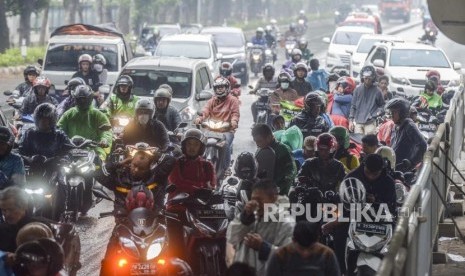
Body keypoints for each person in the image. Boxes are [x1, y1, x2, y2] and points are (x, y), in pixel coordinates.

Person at [226, 179, 295, 276]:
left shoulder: (286, 223)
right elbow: (232, 239)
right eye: (253, 199)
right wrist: (245, 218)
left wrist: (263, 247)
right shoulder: (250, 217)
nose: (255, 203)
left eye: (259, 199)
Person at [166, 129, 216, 258]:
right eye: (189, 144)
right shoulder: (176, 163)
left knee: (221, 228)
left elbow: (212, 186)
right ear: (184, 146)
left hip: (201, 207)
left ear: (201, 147)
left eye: (196, 144)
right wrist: (200, 187)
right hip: (178, 206)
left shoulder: (207, 165)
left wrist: (203, 189)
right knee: (174, 241)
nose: (192, 147)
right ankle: (176, 263)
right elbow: (177, 182)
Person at [194, 77, 240, 174]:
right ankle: (198, 163)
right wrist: (200, 118)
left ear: (227, 88)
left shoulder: (233, 100)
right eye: (217, 87)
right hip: (211, 129)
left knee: (225, 144)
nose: (219, 89)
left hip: (227, 130)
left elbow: (235, 113)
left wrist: (234, 121)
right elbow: (205, 110)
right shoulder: (212, 100)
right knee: (201, 142)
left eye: (222, 87)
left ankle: (226, 167)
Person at [265, 221, 341, 276]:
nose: (305, 253)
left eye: (311, 249)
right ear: (293, 240)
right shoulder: (280, 255)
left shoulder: (327, 254)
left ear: (317, 241)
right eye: (301, 249)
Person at [0, 187, 51, 253]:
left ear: (23, 206)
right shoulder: (2, 229)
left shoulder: (40, 227)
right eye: (4, 210)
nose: (7, 214)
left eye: (11, 209)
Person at [251, 124, 296, 195]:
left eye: (259, 141)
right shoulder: (260, 150)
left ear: (269, 137)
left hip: (279, 193)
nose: (257, 144)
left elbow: (292, 171)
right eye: (255, 141)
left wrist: (278, 187)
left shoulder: (283, 149)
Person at [386, 98, 427, 169]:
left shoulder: (409, 125)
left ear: (402, 113)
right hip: (395, 165)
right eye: (391, 112)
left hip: (404, 169)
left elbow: (422, 144)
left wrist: (411, 162)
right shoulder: (396, 126)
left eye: (394, 112)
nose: (392, 115)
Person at [349, 65, 385, 135]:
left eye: (369, 78)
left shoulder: (377, 91)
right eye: (365, 78)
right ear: (362, 78)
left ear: (373, 78)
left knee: (369, 144)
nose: (367, 80)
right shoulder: (357, 90)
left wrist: (375, 114)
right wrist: (351, 121)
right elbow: (353, 106)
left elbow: (382, 106)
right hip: (358, 122)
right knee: (358, 144)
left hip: (370, 122)